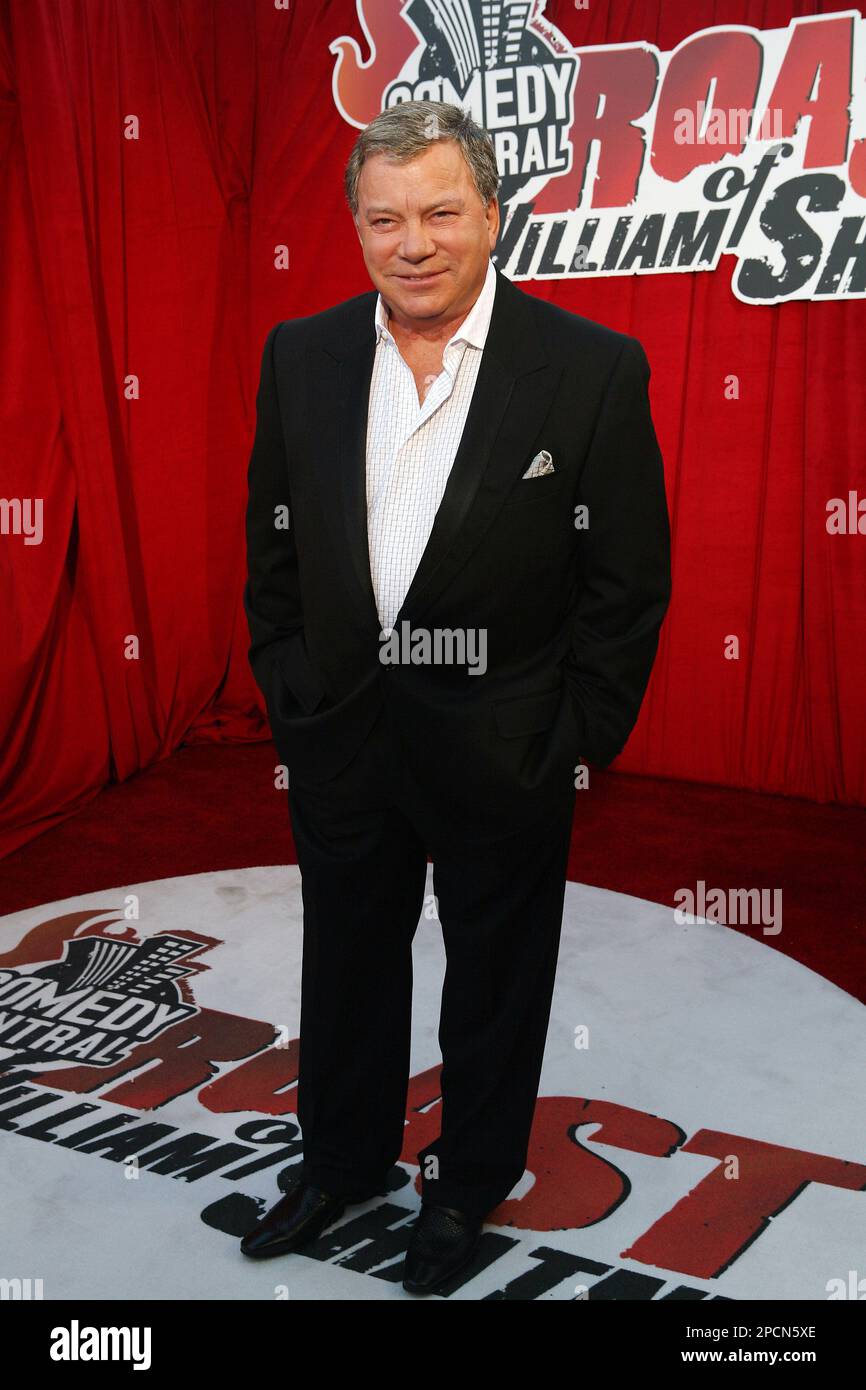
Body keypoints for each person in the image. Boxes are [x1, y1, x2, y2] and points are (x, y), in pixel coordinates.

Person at [239, 99, 671, 1295]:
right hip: (340, 740)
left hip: (505, 749)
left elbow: (625, 586)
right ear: (357, 227)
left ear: (491, 214)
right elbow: (272, 550)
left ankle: (468, 1181)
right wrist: (293, 692)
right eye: (385, 218)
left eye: (439, 212)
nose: (412, 243)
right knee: (346, 960)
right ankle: (339, 1161)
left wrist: (567, 739)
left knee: (496, 974)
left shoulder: (588, 369)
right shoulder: (300, 353)